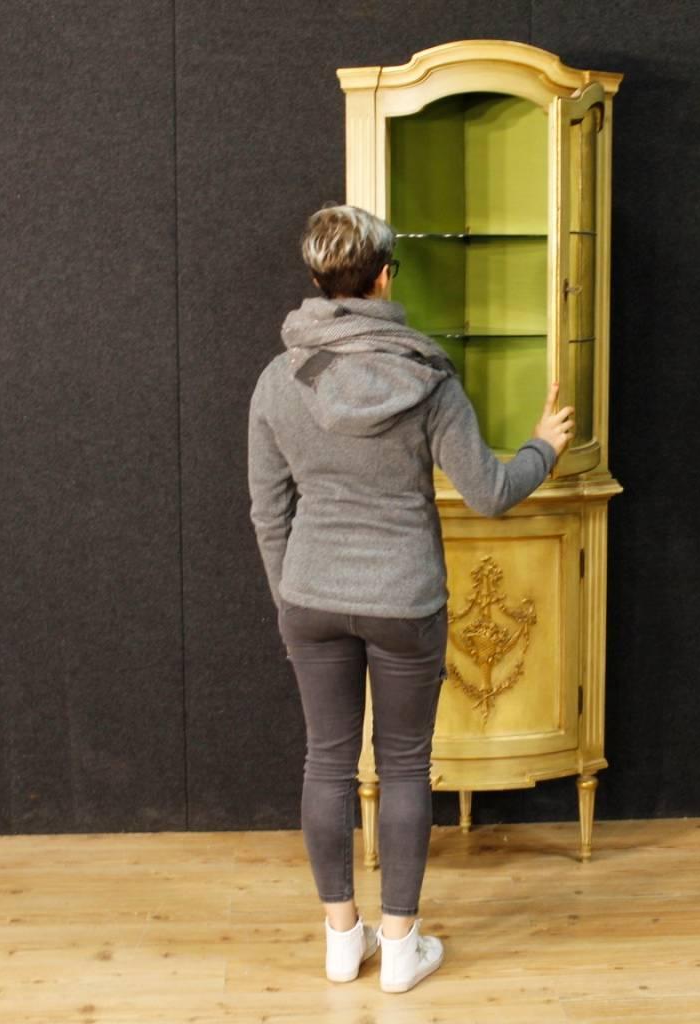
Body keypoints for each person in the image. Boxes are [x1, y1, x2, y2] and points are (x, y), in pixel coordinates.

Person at [247, 204, 574, 993]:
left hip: (311, 597)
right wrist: (545, 447)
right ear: (385, 275)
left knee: (326, 763)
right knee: (402, 767)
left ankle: (339, 941)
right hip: (406, 601)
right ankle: (399, 950)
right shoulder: (424, 373)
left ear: (320, 280)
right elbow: (491, 492)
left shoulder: (277, 377)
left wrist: (293, 599)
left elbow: (269, 510)